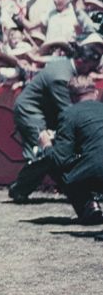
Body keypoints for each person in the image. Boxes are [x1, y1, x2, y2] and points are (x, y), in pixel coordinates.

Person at [9, 39, 102, 202]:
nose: (93, 70)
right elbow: (72, 113)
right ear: (80, 61)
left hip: (44, 109)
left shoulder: (66, 67)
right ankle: (21, 188)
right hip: (31, 111)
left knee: (51, 151)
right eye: (91, 66)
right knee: (45, 152)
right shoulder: (61, 77)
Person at [45, 75, 103, 224]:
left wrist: (46, 145)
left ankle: (88, 206)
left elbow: (60, 158)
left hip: (96, 173)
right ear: (96, 92)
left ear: (71, 97)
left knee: (55, 163)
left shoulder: (69, 115)